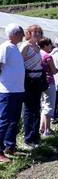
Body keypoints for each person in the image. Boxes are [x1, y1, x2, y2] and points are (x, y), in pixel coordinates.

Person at [0, 24, 25, 162]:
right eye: (21, 33)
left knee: (13, 121)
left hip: (17, 90)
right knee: (4, 121)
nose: (22, 36)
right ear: (14, 34)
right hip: (7, 90)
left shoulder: (15, 47)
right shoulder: (5, 47)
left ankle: (10, 147)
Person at [20, 24, 44, 147]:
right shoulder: (25, 46)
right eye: (34, 32)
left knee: (36, 108)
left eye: (39, 32)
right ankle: (29, 137)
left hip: (37, 80)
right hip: (28, 80)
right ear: (29, 33)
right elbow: (19, 63)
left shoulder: (38, 47)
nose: (37, 34)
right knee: (29, 109)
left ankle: (36, 136)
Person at [38, 38, 58, 137]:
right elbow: (54, 71)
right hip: (49, 82)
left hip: (40, 83)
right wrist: (56, 70)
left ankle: (41, 128)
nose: (51, 46)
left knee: (43, 105)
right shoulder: (47, 56)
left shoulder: (38, 54)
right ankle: (47, 130)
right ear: (45, 45)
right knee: (49, 105)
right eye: (50, 44)